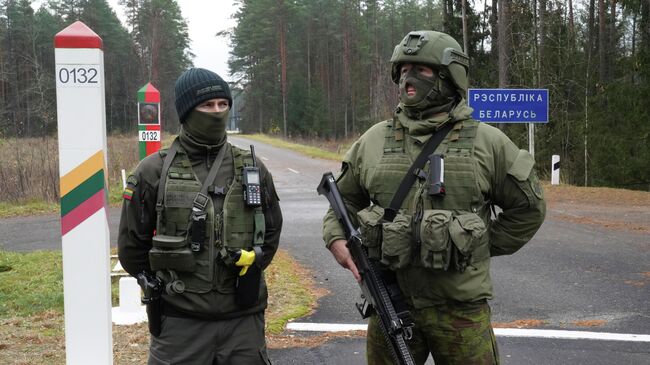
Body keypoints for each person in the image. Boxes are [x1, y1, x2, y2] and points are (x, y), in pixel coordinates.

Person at [322, 30, 546, 364]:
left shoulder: (488, 143)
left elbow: (528, 208)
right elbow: (343, 201)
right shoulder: (372, 142)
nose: (408, 79)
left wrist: (473, 244)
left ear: (448, 77)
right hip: (390, 300)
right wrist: (336, 238)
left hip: (460, 311)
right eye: (404, 70)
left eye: (421, 70)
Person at [118, 67, 282, 365]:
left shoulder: (252, 168)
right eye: (207, 105)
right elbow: (132, 249)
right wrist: (170, 284)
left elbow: (270, 232)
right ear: (186, 111)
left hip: (243, 324)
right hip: (180, 324)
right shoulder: (153, 171)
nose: (217, 112)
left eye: (223, 104)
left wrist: (249, 266)